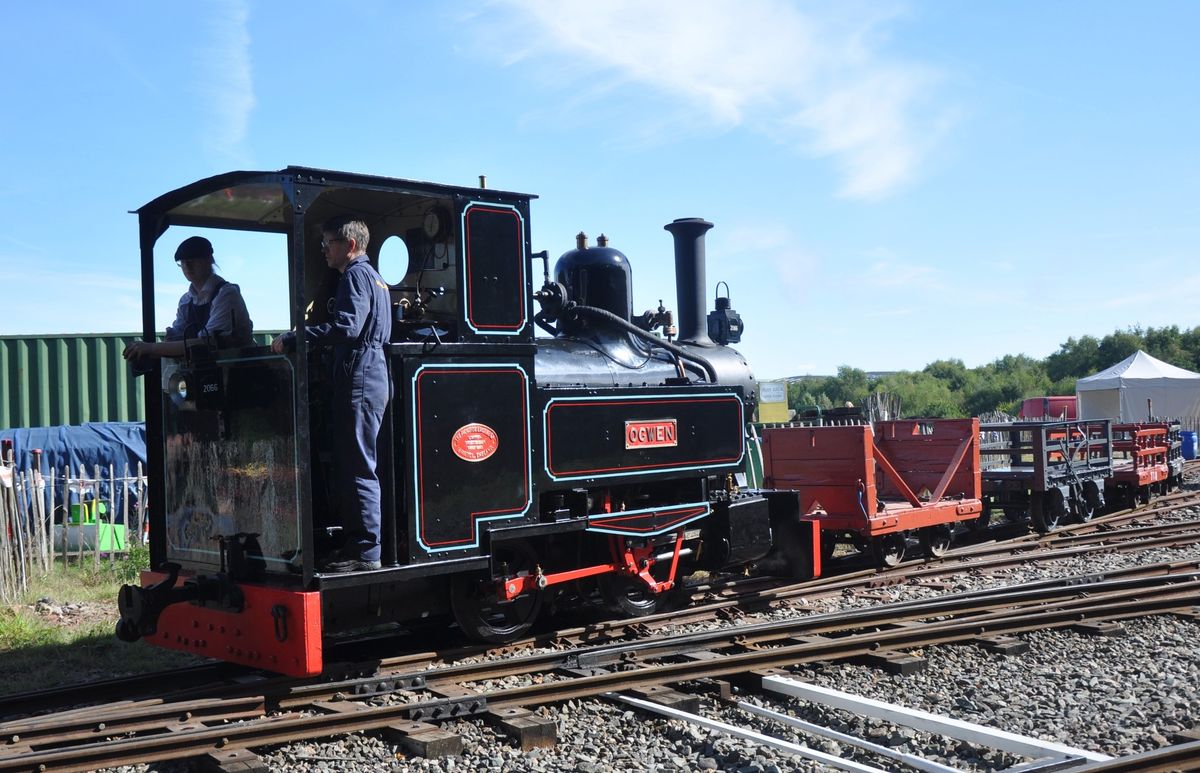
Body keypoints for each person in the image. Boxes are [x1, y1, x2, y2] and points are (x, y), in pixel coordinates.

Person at [271, 215, 392, 573]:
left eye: (328, 244)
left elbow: (348, 326)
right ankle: (359, 543)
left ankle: (366, 552)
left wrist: (296, 337)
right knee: (359, 461)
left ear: (349, 245)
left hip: (360, 372)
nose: (323, 250)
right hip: (371, 370)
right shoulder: (376, 279)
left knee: (357, 464)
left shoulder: (355, 275)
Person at [123, 236, 254, 362]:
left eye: (193, 260)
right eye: (183, 262)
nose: (187, 266)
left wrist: (151, 348)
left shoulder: (226, 294)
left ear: (209, 260)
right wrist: (148, 351)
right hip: (204, 372)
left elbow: (207, 343)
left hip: (237, 371)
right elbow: (177, 338)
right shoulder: (186, 300)